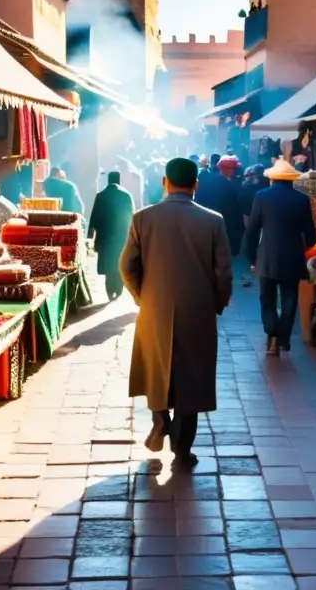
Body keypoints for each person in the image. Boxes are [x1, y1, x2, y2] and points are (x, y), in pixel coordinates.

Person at [120, 157, 233, 470]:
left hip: (154, 308)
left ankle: (159, 420)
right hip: (197, 309)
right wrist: (217, 302)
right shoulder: (213, 220)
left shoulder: (143, 218)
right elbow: (223, 272)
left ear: (164, 183)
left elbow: (127, 266)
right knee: (191, 377)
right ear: (196, 184)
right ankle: (182, 450)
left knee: (156, 368)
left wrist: (143, 296)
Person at [243, 157, 316, 356]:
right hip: (292, 256)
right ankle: (283, 337)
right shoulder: (301, 199)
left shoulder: (261, 196)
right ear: (291, 180)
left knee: (267, 299)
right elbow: (310, 235)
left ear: (272, 179)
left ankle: (272, 335)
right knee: (289, 298)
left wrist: (252, 258)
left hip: (266, 257)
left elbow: (251, 231)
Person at [88, 171, 136, 301]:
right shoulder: (126, 195)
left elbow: (94, 217)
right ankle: (118, 289)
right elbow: (132, 217)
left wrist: (90, 235)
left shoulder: (101, 196)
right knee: (120, 262)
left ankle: (110, 290)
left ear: (108, 181)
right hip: (122, 237)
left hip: (105, 237)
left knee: (108, 264)